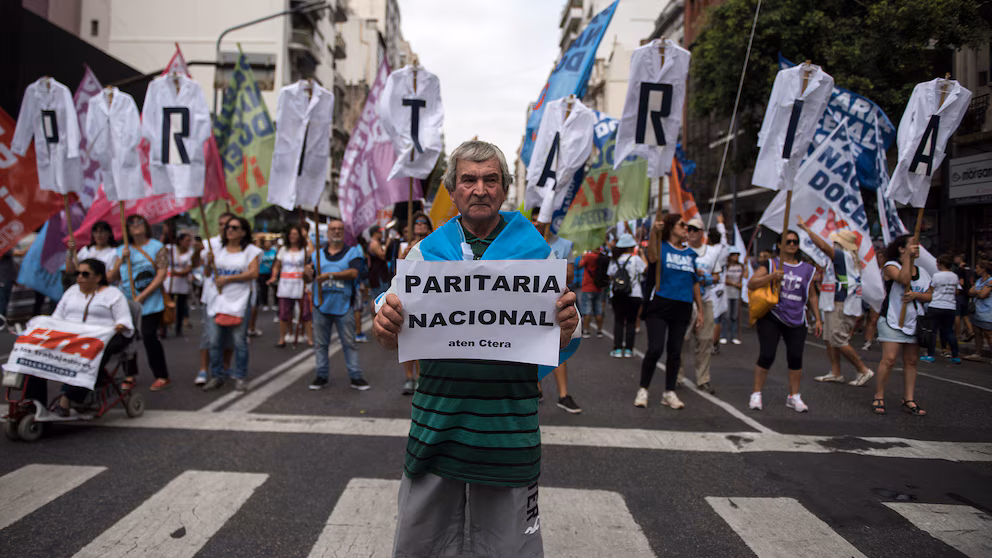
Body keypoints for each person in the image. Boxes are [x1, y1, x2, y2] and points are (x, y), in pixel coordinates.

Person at [373, 140, 579, 557]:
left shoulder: (538, 254)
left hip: (508, 433)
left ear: (504, 189)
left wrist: (567, 326)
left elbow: (562, 337)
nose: (480, 189)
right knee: (422, 548)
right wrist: (385, 323)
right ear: (452, 191)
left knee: (509, 550)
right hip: (436, 428)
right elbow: (388, 329)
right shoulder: (425, 252)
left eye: (490, 180)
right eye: (468, 180)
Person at [748, 230, 821, 413]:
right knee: (767, 355)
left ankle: (794, 396)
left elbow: (812, 295)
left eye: (795, 242)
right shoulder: (771, 264)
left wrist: (818, 319)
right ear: (779, 245)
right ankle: (756, 393)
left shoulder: (807, 269)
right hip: (772, 315)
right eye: (788, 241)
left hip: (797, 317)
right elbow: (752, 283)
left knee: (795, 357)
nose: (792, 244)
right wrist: (771, 277)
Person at [51, 259, 134, 416]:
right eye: (78, 273)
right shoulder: (71, 291)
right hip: (71, 338)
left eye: (85, 274)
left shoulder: (113, 294)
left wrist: (114, 328)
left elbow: (124, 321)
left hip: (100, 340)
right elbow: (56, 317)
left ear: (98, 277)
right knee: (32, 351)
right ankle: (32, 401)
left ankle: (66, 399)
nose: (79, 277)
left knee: (88, 355)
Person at [637, 213, 704, 410]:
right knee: (655, 348)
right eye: (682, 225)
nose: (686, 228)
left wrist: (700, 310)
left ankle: (669, 392)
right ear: (671, 227)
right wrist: (654, 233)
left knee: (675, 351)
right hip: (660, 304)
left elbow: (694, 283)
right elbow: (651, 257)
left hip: (683, 305)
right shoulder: (661, 246)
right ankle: (643, 389)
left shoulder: (690, 254)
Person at [797, 222, 875, 387]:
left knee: (838, 339)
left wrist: (807, 229)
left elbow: (823, 246)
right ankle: (836, 372)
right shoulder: (849, 258)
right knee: (829, 339)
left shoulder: (841, 255)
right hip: (835, 303)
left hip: (840, 304)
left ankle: (863, 369)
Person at [305, 216, 369, 391]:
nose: (336, 232)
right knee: (320, 344)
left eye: (340, 229)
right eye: (333, 229)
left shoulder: (353, 252)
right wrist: (307, 273)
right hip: (320, 305)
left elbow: (354, 273)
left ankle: (356, 376)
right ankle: (321, 375)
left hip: (344, 305)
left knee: (349, 343)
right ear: (327, 232)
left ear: (344, 233)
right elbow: (308, 279)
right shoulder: (316, 255)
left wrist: (330, 276)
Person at [109, 214, 171, 391]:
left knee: (149, 336)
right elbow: (112, 277)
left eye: (139, 222)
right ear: (127, 229)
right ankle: (129, 374)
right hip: (127, 301)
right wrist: (121, 260)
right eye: (132, 223)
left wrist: (143, 296)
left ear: (146, 226)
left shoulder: (157, 247)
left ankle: (161, 375)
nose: (136, 225)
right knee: (127, 338)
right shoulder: (121, 250)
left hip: (150, 301)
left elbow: (161, 274)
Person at [873, 235, 932, 415]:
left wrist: (917, 295)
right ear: (901, 249)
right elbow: (904, 279)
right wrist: (907, 258)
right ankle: (879, 395)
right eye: (913, 244)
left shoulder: (923, 272)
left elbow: (930, 295)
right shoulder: (891, 266)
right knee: (889, 359)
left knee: (911, 361)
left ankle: (909, 399)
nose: (917, 247)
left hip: (913, 322)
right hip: (892, 320)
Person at [202, 217, 262, 392]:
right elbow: (208, 273)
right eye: (228, 227)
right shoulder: (217, 250)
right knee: (214, 341)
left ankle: (240, 376)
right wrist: (208, 263)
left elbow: (254, 273)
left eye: (235, 227)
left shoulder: (251, 251)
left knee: (239, 341)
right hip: (217, 300)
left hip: (239, 301)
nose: (229, 230)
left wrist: (229, 279)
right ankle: (217, 376)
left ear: (243, 232)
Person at [677, 216, 721, 395]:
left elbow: (717, 275)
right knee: (681, 341)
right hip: (685, 300)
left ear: (702, 232)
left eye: (695, 229)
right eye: (689, 229)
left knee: (705, 340)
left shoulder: (711, 252)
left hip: (705, 299)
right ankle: (677, 376)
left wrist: (709, 278)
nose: (691, 232)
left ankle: (703, 379)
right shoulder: (681, 250)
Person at [395, 211, 433, 394]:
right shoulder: (404, 246)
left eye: (423, 222)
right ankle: (409, 377)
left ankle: (421, 377)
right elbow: (398, 271)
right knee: (408, 339)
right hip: (409, 297)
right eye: (416, 222)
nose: (420, 224)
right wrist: (405, 257)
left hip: (427, 297)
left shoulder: (433, 245)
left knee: (423, 341)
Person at [195, 212, 235, 385]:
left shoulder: (238, 245)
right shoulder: (209, 244)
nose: (224, 227)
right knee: (209, 336)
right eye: (221, 224)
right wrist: (206, 260)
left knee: (229, 335)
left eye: (228, 224)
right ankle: (204, 369)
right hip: (211, 297)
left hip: (231, 297)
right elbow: (204, 272)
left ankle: (225, 366)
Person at [269, 226, 312, 348]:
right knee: (284, 312)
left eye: (295, 234)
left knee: (305, 311)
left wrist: (307, 238)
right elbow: (277, 265)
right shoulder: (283, 250)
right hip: (285, 284)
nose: (292, 236)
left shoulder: (305, 249)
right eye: (291, 234)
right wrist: (274, 276)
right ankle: (282, 338)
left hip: (300, 283)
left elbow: (312, 257)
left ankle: (309, 338)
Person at [608, 233, 647, 358]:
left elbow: (610, 275)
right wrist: (642, 254)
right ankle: (629, 349)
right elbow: (645, 269)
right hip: (634, 293)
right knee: (631, 321)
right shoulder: (636, 259)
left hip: (617, 294)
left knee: (619, 320)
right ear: (631, 247)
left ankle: (618, 349)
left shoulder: (615, 259)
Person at [925, 254, 961, 364]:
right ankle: (955, 355)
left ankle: (930, 355)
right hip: (950, 306)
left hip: (936, 305)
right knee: (949, 331)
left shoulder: (936, 276)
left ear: (941, 264)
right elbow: (957, 291)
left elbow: (930, 290)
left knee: (932, 331)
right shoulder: (955, 276)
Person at [165, 232, 195, 338]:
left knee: (181, 307)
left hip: (182, 284)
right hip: (170, 283)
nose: (189, 243)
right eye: (187, 240)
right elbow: (161, 252)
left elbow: (189, 268)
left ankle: (178, 328)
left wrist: (178, 273)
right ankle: (164, 327)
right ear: (180, 241)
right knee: (167, 306)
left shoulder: (190, 253)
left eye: (190, 241)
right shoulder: (171, 248)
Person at [965, 259, 992, 362]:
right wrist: (979, 291)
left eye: (977, 268)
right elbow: (970, 292)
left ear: (983, 269)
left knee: (988, 334)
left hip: (987, 312)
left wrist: (977, 292)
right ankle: (977, 353)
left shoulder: (990, 280)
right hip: (977, 311)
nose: (976, 270)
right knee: (977, 333)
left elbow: (983, 294)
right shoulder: (979, 280)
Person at [578, 246, 606, 337]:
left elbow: (580, 265)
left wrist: (583, 256)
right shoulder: (602, 257)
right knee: (598, 310)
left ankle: (586, 331)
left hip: (588, 286)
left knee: (587, 310)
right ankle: (600, 331)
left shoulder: (589, 256)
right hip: (599, 287)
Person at [721, 248, 744, 345]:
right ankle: (723, 335)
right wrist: (735, 284)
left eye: (737, 255)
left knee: (735, 315)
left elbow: (745, 277)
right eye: (734, 254)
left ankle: (733, 336)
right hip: (727, 293)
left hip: (736, 294)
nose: (736, 257)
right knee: (726, 315)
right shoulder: (726, 266)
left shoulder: (741, 266)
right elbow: (724, 279)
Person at [954, 253, 976, 343]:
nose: (954, 259)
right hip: (967, 294)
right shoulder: (970, 268)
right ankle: (971, 331)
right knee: (965, 314)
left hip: (960, 294)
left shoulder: (960, 269)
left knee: (957, 315)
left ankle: (957, 335)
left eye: (956, 257)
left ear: (960, 258)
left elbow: (961, 282)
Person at [257, 237, 277, 312]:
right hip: (262, 273)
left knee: (275, 288)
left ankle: (275, 303)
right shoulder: (260, 252)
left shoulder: (274, 251)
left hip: (272, 273)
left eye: (269, 242)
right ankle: (265, 304)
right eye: (266, 242)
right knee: (264, 289)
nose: (268, 244)